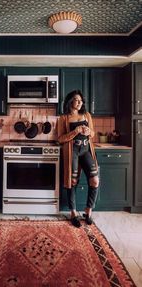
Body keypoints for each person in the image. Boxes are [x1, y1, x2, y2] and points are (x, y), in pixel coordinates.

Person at [58, 90, 99, 228]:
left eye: (81, 100)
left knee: (94, 180)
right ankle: (73, 213)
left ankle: (88, 211)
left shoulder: (87, 115)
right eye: (77, 100)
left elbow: (93, 134)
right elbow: (60, 139)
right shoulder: (63, 118)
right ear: (70, 102)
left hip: (86, 150)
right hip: (73, 151)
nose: (80, 102)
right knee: (73, 181)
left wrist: (89, 132)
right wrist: (75, 132)